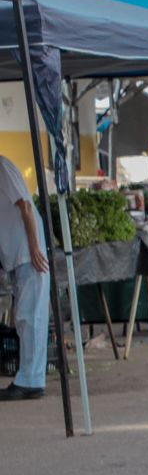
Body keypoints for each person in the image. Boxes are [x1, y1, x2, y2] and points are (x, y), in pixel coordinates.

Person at [0, 154, 48, 401]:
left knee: (31, 317)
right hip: (20, 255)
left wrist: (34, 247)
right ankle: (28, 377)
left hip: (29, 253)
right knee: (25, 318)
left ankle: (31, 380)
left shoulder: (2, 167)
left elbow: (26, 207)